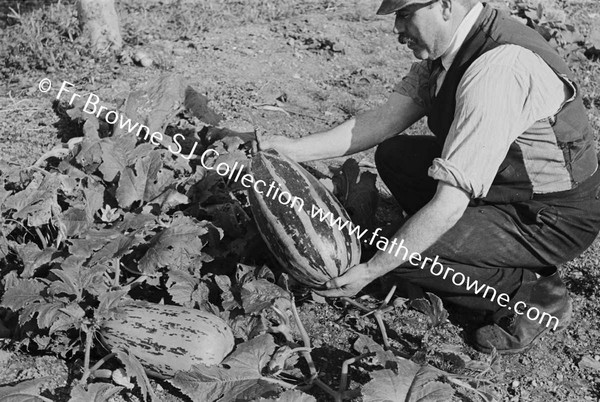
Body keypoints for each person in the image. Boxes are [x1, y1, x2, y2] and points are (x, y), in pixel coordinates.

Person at [258, 0, 600, 354]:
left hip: (550, 217)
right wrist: (290, 150)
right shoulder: (455, 47)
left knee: (405, 256)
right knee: (395, 155)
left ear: (445, 6)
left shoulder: (497, 70)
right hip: (506, 186)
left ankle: (531, 295)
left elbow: (448, 205)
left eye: (405, 15)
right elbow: (384, 119)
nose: (396, 28)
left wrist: (374, 269)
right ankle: (472, 251)